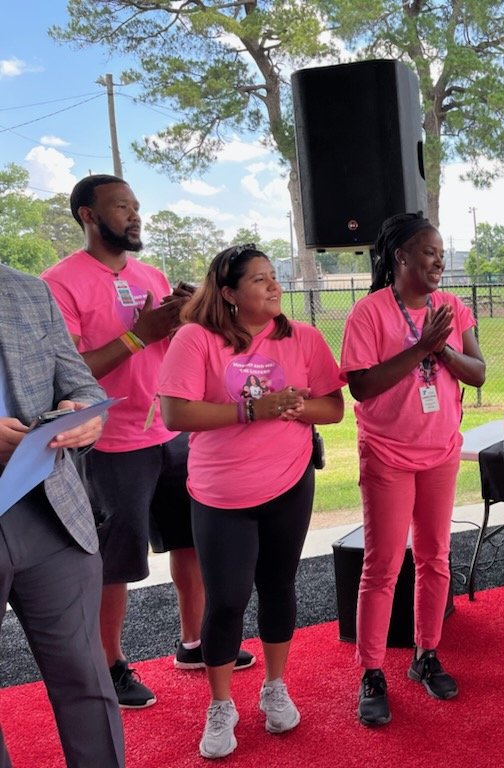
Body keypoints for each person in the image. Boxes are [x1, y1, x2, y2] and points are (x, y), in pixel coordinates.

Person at [42, 175, 253, 710]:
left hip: (171, 431)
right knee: (115, 562)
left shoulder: (150, 274)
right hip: (110, 443)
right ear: (88, 215)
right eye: (121, 207)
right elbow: (66, 373)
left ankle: (195, 643)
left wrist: (184, 317)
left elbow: (170, 348)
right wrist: (140, 333)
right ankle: (109, 664)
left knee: (191, 542)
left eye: (136, 207)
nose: (135, 216)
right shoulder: (59, 283)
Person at [159, 244, 343, 758]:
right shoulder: (196, 338)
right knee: (227, 600)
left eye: (273, 276)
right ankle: (221, 706)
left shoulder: (301, 337)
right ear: (229, 293)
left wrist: (297, 406)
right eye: (259, 280)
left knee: (280, 587)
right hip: (221, 494)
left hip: (289, 483)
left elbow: (334, 408)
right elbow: (176, 414)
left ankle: (275, 687)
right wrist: (251, 410)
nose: (273, 285)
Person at [340, 213, 486, 727]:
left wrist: (440, 348)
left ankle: (426, 655)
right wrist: (419, 348)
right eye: (429, 252)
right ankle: (372, 670)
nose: (439, 260)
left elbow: (479, 372)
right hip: (386, 452)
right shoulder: (369, 312)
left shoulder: (452, 307)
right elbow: (360, 386)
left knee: (434, 556)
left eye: (442, 252)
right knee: (382, 566)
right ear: (400, 257)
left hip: (441, 449)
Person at [0, 262, 124, 766]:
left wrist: (85, 418)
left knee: (87, 682)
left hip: (49, 512)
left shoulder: (27, 291)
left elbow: (84, 384)